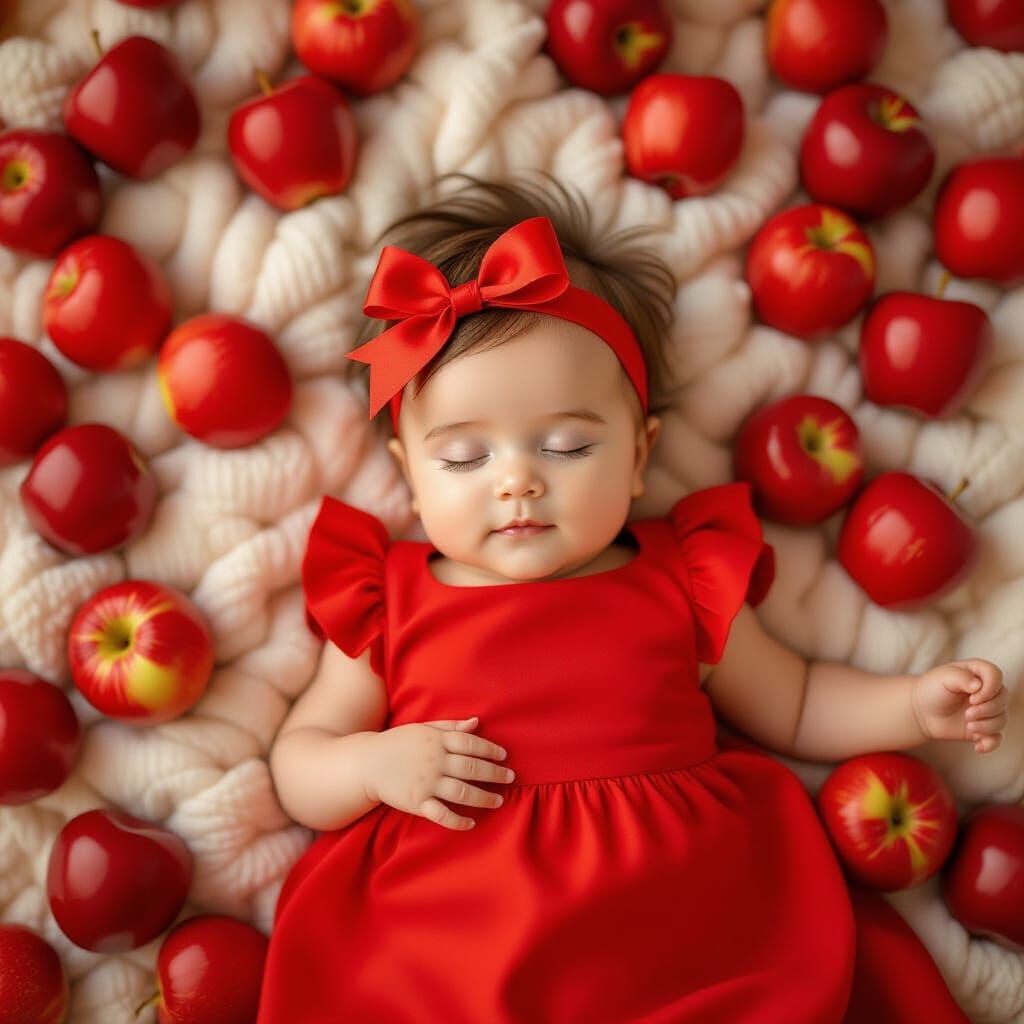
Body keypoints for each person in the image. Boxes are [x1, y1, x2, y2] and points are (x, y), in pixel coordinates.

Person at [257, 173, 1004, 1022]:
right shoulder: (384, 597)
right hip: (452, 935)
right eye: (465, 459)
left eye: (569, 445)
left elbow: (794, 703)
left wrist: (913, 706)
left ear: (642, 458)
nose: (518, 484)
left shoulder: (682, 574)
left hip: (679, 923)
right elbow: (299, 762)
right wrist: (369, 766)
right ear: (409, 479)